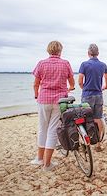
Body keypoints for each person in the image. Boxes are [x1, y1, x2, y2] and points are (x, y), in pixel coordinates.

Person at [31, 41, 75, 171]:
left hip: (43, 99)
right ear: (60, 51)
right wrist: (69, 88)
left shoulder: (41, 63)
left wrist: (36, 95)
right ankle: (47, 164)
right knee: (52, 130)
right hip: (59, 101)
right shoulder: (65, 63)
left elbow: (36, 84)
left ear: (48, 50)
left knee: (42, 128)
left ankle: (39, 159)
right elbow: (72, 83)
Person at [79, 43, 107, 152]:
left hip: (87, 95)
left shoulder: (84, 64)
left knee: (84, 119)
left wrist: (84, 88)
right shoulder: (103, 65)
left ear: (88, 53)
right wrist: (105, 87)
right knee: (98, 118)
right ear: (98, 53)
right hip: (98, 95)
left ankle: (85, 142)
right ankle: (98, 143)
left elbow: (80, 81)